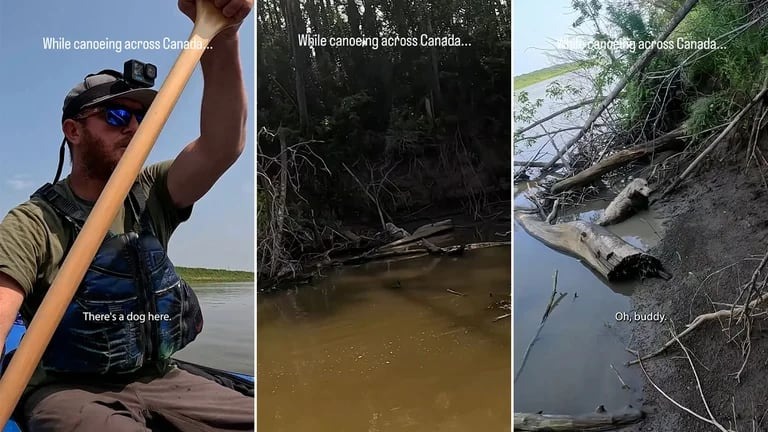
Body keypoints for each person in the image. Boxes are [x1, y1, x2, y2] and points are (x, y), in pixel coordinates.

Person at [0, 0, 254, 430]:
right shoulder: (32, 223)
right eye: (117, 115)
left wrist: (223, 36)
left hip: (162, 377)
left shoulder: (152, 191)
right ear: (73, 130)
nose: (133, 128)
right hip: (68, 390)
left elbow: (221, 146)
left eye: (141, 117)